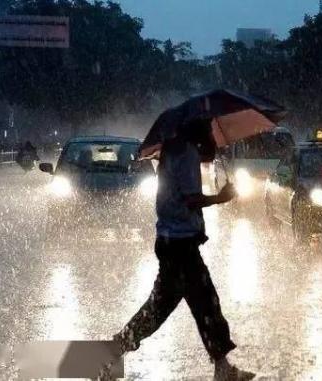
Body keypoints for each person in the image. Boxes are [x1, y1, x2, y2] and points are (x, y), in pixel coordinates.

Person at [104, 119, 255, 381]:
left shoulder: (174, 151)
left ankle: (115, 351)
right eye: (208, 132)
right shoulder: (186, 155)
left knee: (175, 306)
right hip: (180, 245)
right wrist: (222, 197)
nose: (212, 138)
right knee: (202, 305)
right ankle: (222, 369)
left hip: (172, 241)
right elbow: (191, 199)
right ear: (197, 132)